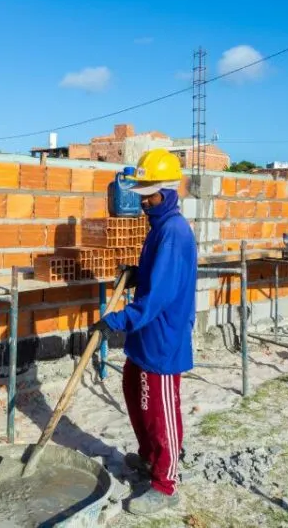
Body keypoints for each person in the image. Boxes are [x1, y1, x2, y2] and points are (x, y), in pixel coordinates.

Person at [90, 148, 197, 516]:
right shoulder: (159, 229)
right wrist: (138, 273)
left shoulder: (173, 233)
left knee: (159, 410)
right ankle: (151, 458)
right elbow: (157, 278)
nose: (144, 201)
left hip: (162, 339)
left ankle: (166, 484)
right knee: (136, 394)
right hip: (145, 340)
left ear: (166, 192)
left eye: (149, 195)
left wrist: (115, 321)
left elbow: (157, 300)